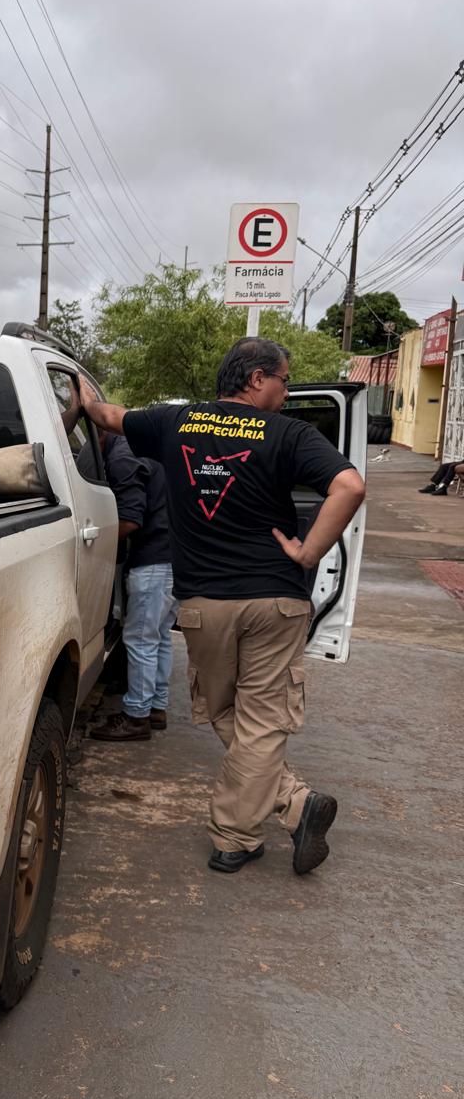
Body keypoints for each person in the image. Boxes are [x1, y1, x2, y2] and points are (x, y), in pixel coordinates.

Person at [79, 338, 366, 876]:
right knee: (257, 720)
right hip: (275, 601)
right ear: (257, 378)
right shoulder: (290, 434)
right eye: (283, 380)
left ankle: (246, 829)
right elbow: (349, 486)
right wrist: (308, 551)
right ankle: (287, 807)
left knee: (222, 711)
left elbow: (106, 415)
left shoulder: (174, 423)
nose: (285, 391)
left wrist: (79, 392)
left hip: (202, 605)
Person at [90, 435, 176, 742]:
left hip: (152, 561)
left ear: (99, 433)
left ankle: (136, 715)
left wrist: (92, 541)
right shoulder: (149, 447)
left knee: (140, 639)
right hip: (174, 558)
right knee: (159, 637)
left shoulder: (122, 457)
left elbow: (129, 519)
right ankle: (155, 708)